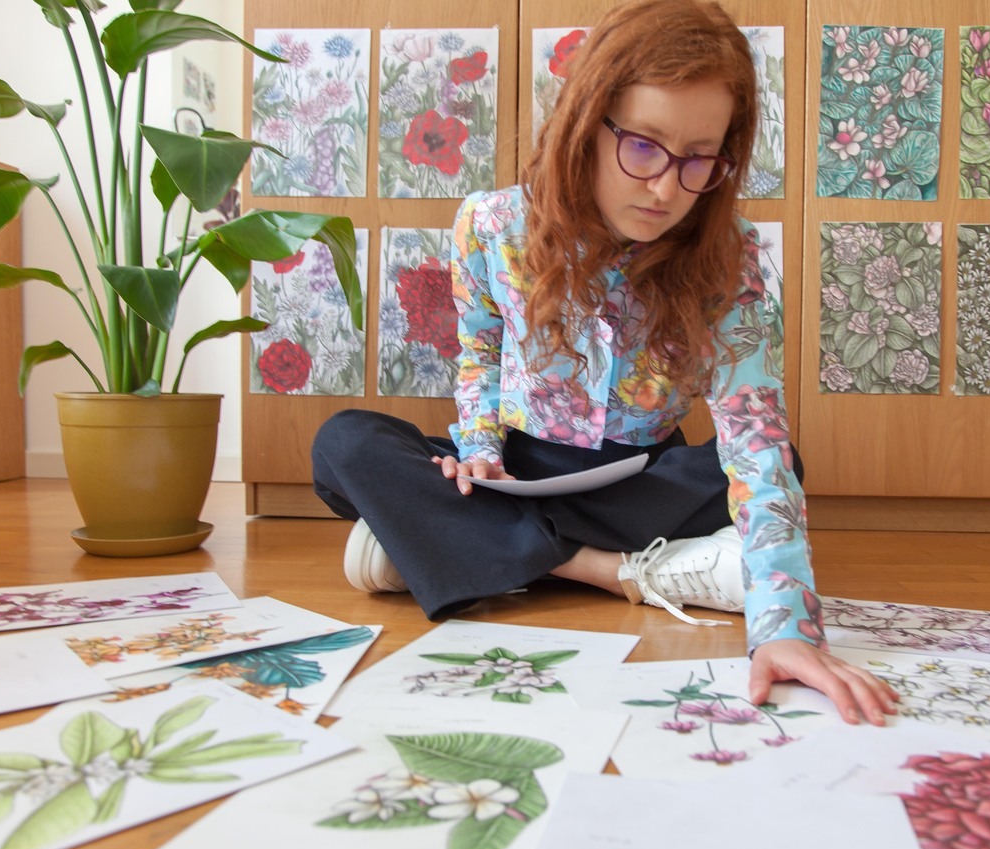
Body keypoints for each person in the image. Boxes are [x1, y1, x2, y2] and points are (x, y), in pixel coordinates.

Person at [312, 0, 898, 726]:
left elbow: (754, 437)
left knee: (776, 467)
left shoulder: (731, 255)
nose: (664, 188)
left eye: (698, 159)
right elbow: (480, 354)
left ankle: (452, 544)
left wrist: (786, 630)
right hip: (518, 476)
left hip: (642, 481)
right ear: (587, 122)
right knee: (343, 445)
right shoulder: (490, 224)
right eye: (644, 146)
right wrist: (478, 453)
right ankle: (611, 570)